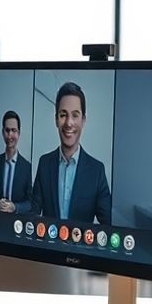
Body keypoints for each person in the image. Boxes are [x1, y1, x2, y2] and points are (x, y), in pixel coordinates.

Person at [30, 81, 112, 224]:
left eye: (75, 115)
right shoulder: (44, 163)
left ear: (83, 121)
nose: (69, 123)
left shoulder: (97, 170)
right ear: (56, 120)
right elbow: (32, 213)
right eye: (63, 115)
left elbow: (109, 225)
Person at [0, 110, 32, 214]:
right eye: (7, 130)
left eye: (14, 130)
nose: (10, 135)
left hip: (17, 223)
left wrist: (14, 207)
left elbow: (30, 202)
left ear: (18, 133)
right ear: (3, 132)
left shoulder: (26, 167)